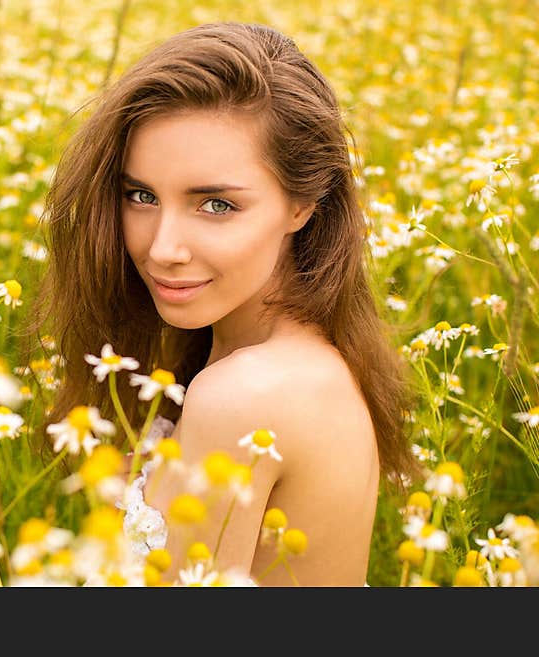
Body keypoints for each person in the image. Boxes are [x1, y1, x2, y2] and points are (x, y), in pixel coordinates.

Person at [24, 22, 420, 586]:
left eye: (215, 204)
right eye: (141, 196)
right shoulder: (307, 360)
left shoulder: (243, 396)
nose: (161, 249)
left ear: (303, 204)